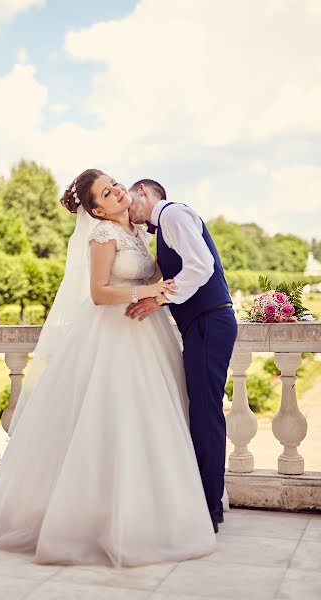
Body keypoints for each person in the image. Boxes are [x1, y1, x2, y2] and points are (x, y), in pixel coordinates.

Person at [0, 169, 216, 567]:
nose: (118, 191)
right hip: (113, 338)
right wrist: (147, 290)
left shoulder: (138, 233)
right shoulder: (103, 236)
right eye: (106, 192)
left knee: (149, 423)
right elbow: (99, 293)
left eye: (115, 183)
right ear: (97, 211)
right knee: (110, 423)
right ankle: (91, 520)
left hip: (148, 336)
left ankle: (145, 514)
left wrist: (161, 292)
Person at [127, 180, 238, 533]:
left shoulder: (173, 214)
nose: (128, 208)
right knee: (201, 411)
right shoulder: (162, 228)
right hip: (201, 326)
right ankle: (206, 501)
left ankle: (209, 510)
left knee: (206, 415)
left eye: (129, 199)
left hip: (209, 322)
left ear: (143, 190)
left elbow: (201, 266)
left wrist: (159, 299)